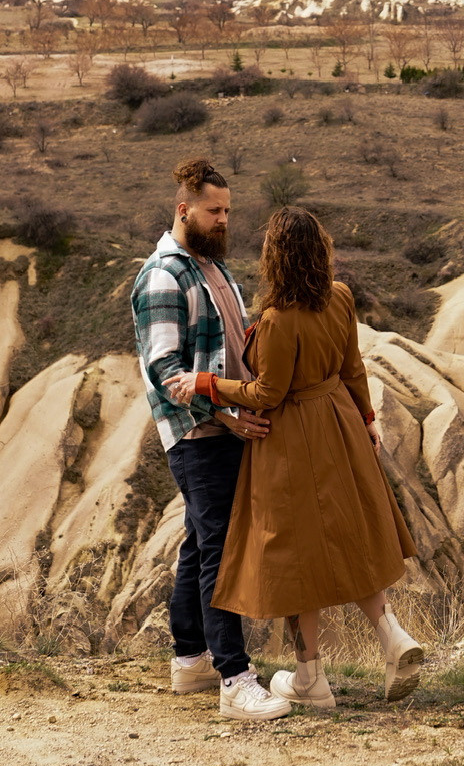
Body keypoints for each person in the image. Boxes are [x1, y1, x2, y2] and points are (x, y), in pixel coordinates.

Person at [167, 205, 425, 708]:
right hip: (340, 424)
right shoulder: (341, 298)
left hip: (292, 439)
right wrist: (368, 420)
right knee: (349, 536)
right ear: (320, 251)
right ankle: (391, 637)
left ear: (276, 259)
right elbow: (353, 368)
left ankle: (312, 676)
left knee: (298, 553)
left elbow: (266, 393)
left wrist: (206, 384)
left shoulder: (278, 319)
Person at [131, 158, 290, 723]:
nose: (224, 220)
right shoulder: (163, 276)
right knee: (220, 547)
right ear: (184, 209)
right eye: (213, 211)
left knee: (201, 544)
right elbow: (165, 370)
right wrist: (225, 414)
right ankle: (234, 678)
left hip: (226, 424)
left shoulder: (215, 271)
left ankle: (190, 659)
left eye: (228, 210)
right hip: (197, 433)